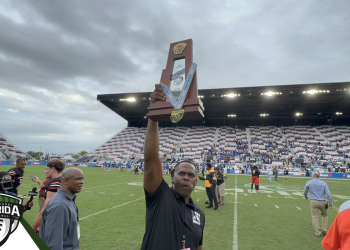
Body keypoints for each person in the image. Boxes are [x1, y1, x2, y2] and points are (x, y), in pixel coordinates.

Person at [141, 84, 205, 250]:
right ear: (172, 177)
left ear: (196, 182)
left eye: (191, 175)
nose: (186, 177)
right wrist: (154, 116)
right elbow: (150, 158)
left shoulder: (199, 214)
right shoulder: (160, 196)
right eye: (181, 173)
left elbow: (198, 246)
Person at [39, 168, 84, 250]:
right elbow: (54, 244)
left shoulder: (67, 200)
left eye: (82, 179)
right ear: (66, 181)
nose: (82, 182)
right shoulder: (60, 205)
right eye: (78, 179)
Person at [32, 159, 65, 230]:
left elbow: (45, 210)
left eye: (46, 169)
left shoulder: (55, 182)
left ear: (53, 169)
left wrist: (34, 228)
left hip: (54, 221)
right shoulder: (63, 179)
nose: (45, 171)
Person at [303, 172, 333, 237]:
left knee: (314, 217)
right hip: (323, 202)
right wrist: (331, 203)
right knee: (325, 215)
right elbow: (328, 194)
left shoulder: (309, 182)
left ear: (313, 176)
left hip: (314, 201)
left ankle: (317, 232)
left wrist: (305, 197)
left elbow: (305, 191)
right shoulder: (324, 183)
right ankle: (324, 229)